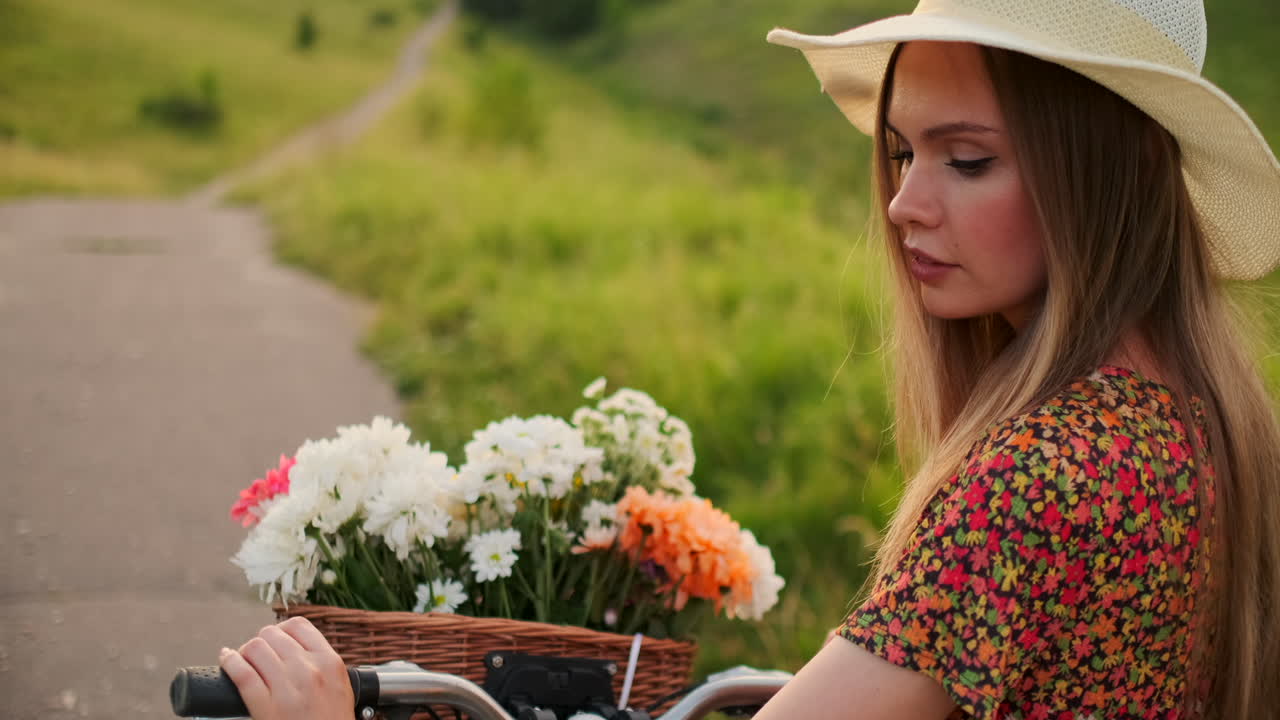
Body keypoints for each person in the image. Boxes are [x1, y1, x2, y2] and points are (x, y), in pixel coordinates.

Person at [219, 1, 1280, 718]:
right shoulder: (1200, 429)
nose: (905, 203)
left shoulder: (1036, 479)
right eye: (904, 154)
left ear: (1109, 171)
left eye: (967, 160)